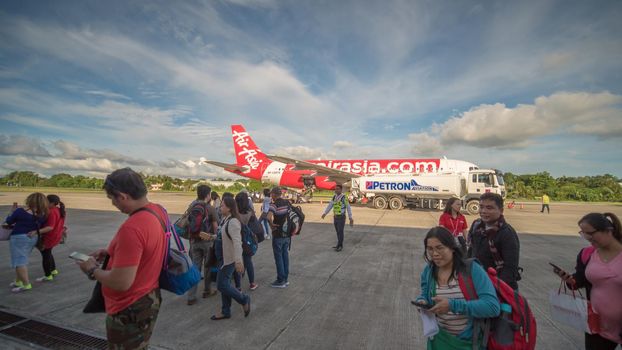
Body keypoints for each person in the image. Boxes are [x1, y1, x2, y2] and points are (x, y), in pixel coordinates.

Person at [77, 168, 166, 349]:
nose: (113, 204)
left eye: (112, 199)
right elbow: (146, 247)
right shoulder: (157, 211)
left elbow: (121, 282)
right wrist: (112, 253)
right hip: (149, 298)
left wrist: (92, 270)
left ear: (123, 196)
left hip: (129, 307)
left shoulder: (132, 228)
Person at [415, 227, 500, 349]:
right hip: (438, 340)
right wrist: (422, 302)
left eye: (439, 248)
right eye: (430, 249)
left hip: (468, 342)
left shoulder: (472, 270)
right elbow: (425, 294)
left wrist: (452, 305)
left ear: (452, 248)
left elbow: (492, 306)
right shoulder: (428, 271)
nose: (434, 254)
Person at [556, 213, 622, 349]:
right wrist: (570, 280)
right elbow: (580, 279)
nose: (588, 238)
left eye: (590, 234)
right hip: (596, 325)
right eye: (584, 234)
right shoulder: (588, 254)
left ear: (608, 230)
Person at [467, 193, 521, 290]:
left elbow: (510, 268)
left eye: (489, 208)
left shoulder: (506, 233)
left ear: (501, 211)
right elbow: (470, 253)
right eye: (481, 207)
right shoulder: (477, 226)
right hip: (478, 283)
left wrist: (494, 288)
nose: (483, 211)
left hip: (499, 288)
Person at [211, 196, 251, 320]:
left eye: (222, 205)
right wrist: (211, 237)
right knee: (225, 284)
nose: (220, 207)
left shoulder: (233, 222)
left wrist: (239, 261)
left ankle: (243, 299)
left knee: (221, 285)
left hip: (229, 259)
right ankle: (226, 311)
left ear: (229, 208)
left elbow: (237, 242)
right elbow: (222, 236)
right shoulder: (225, 219)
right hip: (223, 257)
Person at [4, 193, 48, 293]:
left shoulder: (20, 211)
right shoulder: (42, 214)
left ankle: (26, 284)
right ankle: (18, 281)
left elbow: (9, 221)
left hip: (19, 238)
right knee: (22, 259)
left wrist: (12, 212)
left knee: (19, 261)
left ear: (29, 200)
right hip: (32, 238)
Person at [186, 185, 218, 305]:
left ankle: (191, 296)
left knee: (195, 268)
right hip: (207, 241)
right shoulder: (210, 208)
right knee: (208, 267)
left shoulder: (192, 206)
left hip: (194, 241)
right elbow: (215, 227)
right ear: (208, 195)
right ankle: (207, 290)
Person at [34, 194, 66, 282]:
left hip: (49, 237)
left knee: (46, 256)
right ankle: (53, 270)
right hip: (56, 236)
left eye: (46, 201)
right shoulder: (59, 210)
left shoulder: (51, 211)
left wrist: (36, 232)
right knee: (48, 253)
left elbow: (50, 227)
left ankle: (48, 275)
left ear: (51, 203)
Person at [267, 186, 291, 288]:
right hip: (287, 234)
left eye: (271, 193)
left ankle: (280, 280)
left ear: (273, 194)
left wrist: (272, 225)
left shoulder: (274, 204)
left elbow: (268, 217)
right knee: (285, 256)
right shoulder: (287, 203)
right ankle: (285, 279)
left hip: (278, 234)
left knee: (278, 258)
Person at [234, 191, 258, 291]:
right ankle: (252, 283)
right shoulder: (250, 213)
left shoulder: (234, 213)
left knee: (237, 262)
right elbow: (255, 226)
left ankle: (238, 286)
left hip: (236, 240)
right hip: (247, 241)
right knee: (248, 262)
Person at [321, 184, 353, 252]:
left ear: (341, 190)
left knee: (340, 232)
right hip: (335, 217)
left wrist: (350, 217)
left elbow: (348, 207)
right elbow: (330, 205)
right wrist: (325, 213)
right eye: (335, 189)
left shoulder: (344, 197)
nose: (336, 190)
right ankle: (338, 244)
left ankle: (340, 245)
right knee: (337, 232)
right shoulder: (334, 197)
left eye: (338, 189)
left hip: (341, 217)